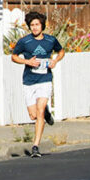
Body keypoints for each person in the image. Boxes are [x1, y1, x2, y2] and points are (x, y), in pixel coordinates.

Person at [10, 11, 65, 158]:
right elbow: (14, 57)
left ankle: (35, 146)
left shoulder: (50, 40)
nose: (34, 27)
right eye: (32, 25)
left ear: (42, 25)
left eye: (37, 24)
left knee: (39, 111)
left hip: (45, 79)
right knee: (33, 115)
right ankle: (46, 112)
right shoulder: (24, 42)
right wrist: (27, 61)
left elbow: (61, 51)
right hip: (29, 81)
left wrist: (55, 60)